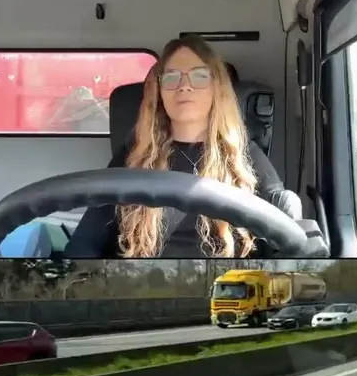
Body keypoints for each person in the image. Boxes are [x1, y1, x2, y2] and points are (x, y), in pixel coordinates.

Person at [66, 35, 301, 258]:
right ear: (160, 91)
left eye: (199, 76)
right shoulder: (133, 157)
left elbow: (284, 227)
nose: (184, 86)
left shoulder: (243, 156)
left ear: (216, 88)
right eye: (172, 77)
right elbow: (85, 241)